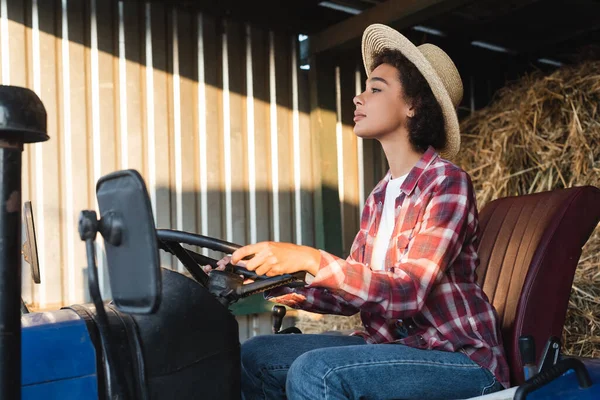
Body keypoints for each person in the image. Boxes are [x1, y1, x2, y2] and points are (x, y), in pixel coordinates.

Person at [206, 23, 509, 399]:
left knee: (318, 372)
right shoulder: (381, 195)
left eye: (375, 89)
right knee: (255, 355)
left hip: (457, 358)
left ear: (414, 104)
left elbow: (408, 292)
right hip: (393, 348)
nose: (358, 98)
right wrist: (262, 278)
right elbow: (348, 296)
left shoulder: (447, 183)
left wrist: (311, 258)